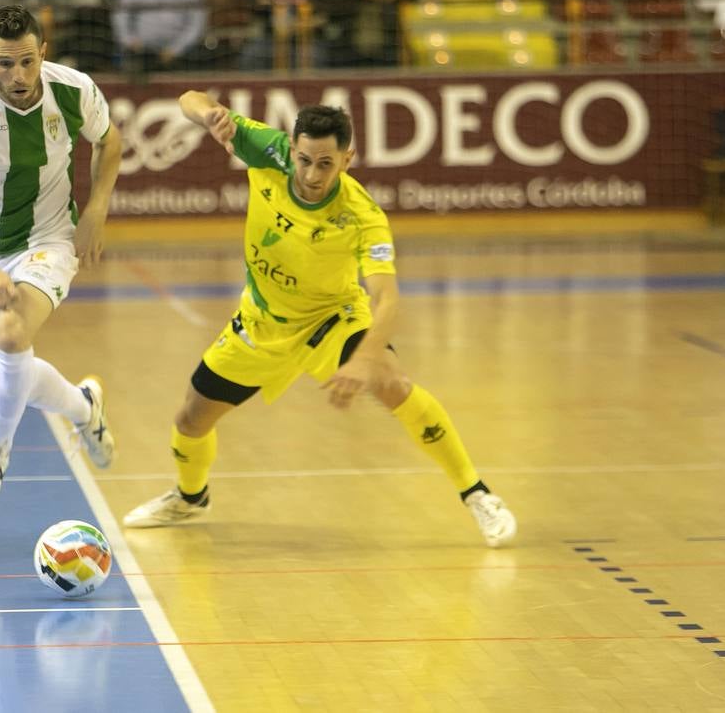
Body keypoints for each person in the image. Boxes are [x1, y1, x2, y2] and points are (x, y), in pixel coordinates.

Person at [122, 94, 518, 549]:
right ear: (291, 149)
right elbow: (190, 99)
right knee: (191, 418)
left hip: (331, 319)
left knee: (393, 384)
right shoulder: (265, 149)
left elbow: (387, 300)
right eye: (305, 160)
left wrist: (366, 360)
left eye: (326, 163)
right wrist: (209, 116)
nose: (312, 175)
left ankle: (477, 493)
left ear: (348, 159)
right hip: (262, 320)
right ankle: (191, 498)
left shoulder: (362, 215)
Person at [0, 5, 123, 504]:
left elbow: (110, 142)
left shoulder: (73, 89)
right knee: (12, 373)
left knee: (12, 336)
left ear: (43, 53)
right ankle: (84, 408)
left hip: (50, 236)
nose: (20, 76)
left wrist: (96, 208)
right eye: (6, 64)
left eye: (28, 62)